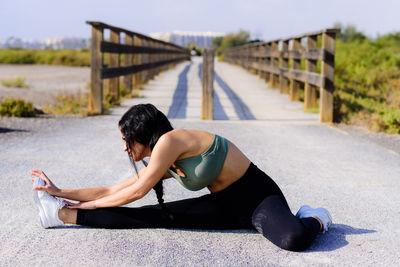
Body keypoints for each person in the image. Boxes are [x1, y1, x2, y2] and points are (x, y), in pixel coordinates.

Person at [30, 103, 332, 252]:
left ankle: (315, 218)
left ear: (144, 134)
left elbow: (137, 192)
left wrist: (92, 206)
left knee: (294, 239)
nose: (125, 149)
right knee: (152, 216)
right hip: (225, 206)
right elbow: (115, 188)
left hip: (258, 198)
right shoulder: (163, 156)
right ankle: (61, 215)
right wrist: (60, 192)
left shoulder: (171, 141)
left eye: (128, 141)